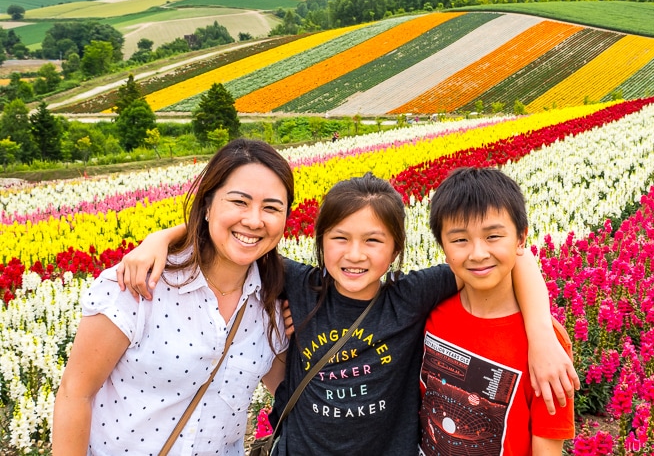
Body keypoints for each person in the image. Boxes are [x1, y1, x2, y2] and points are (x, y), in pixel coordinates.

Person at [118, 173, 579, 455]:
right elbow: (233, 234)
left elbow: (506, 256)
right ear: (319, 243)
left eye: (374, 241)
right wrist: (161, 238)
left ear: (397, 248)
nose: (355, 255)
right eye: (340, 238)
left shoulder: (411, 296)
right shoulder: (298, 283)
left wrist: (539, 331)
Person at [52, 138, 293, 455]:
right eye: (239, 202)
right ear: (207, 205)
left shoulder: (272, 303)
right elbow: (75, 393)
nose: (254, 220)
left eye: (272, 208)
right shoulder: (137, 284)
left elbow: (292, 395)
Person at [420, 166, 575, 455]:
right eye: (459, 240)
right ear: (442, 245)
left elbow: (547, 446)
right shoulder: (430, 312)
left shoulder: (546, 347)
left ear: (521, 238)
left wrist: (541, 333)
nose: (478, 253)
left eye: (493, 236)